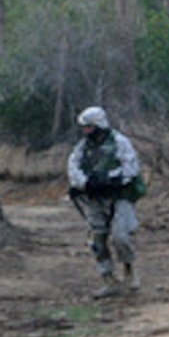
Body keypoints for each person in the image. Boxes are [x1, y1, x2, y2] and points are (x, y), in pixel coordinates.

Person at [67, 106, 144, 299]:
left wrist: (111, 178)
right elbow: (73, 166)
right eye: (84, 128)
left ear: (99, 125)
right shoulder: (82, 147)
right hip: (95, 198)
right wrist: (85, 182)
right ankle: (108, 279)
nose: (85, 131)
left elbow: (131, 167)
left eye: (89, 127)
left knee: (120, 237)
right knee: (97, 240)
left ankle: (129, 269)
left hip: (119, 196)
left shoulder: (119, 141)